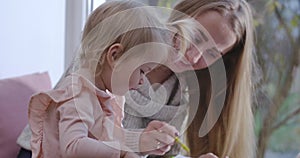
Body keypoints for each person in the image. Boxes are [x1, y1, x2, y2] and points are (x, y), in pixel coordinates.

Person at [24, 1, 193, 157]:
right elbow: (73, 146)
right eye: (142, 71)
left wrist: (143, 140)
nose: (142, 81)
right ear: (115, 55)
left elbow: (107, 136)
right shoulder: (77, 91)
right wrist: (121, 153)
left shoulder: (100, 94)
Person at [123, 0, 258, 158]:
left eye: (212, 53)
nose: (193, 57)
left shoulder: (180, 93)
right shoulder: (121, 52)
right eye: (196, 36)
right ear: (182, 14)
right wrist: (137, 141)